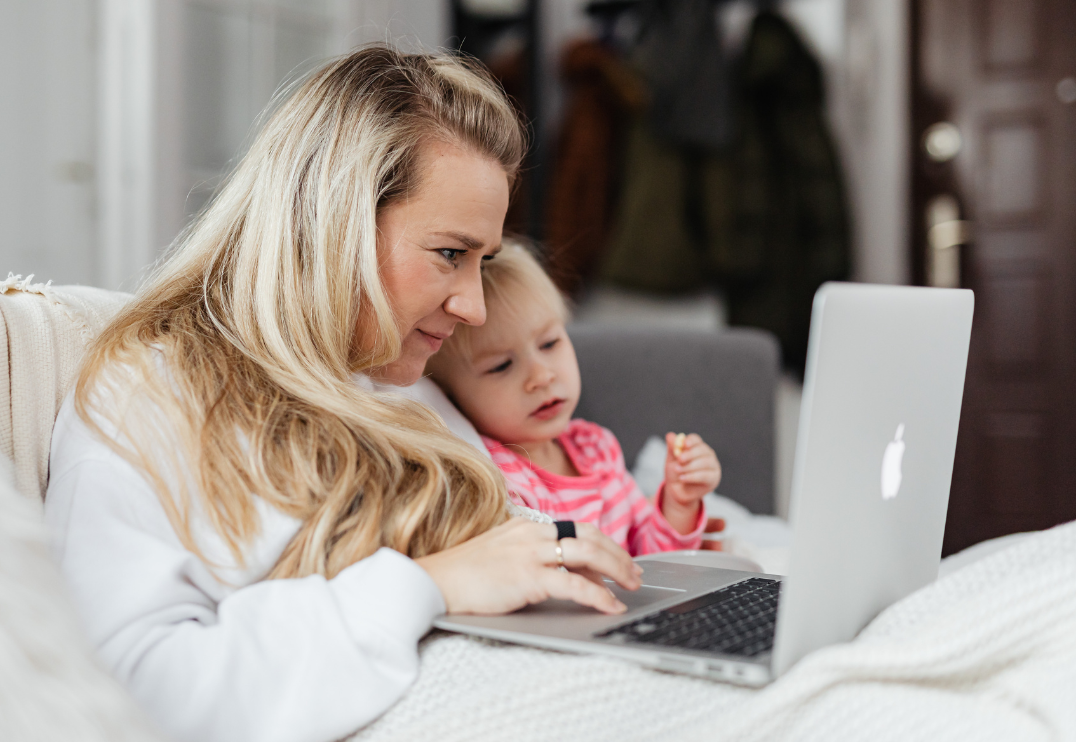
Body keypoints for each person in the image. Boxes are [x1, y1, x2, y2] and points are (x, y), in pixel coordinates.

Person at [44, 46, 646, 742]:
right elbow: (131, 692)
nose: (475, 309)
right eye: (451, 254)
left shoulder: (404, 379)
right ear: (333, 222)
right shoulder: (152, 395)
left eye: (483, 261)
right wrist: (431, 586)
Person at [426, 243, 726, 556]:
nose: (542, 376)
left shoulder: (597, 448)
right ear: (453, 399)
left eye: (550, 343)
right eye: (501, 365)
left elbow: (653, 563)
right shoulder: (494, 478)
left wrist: (679, 503)